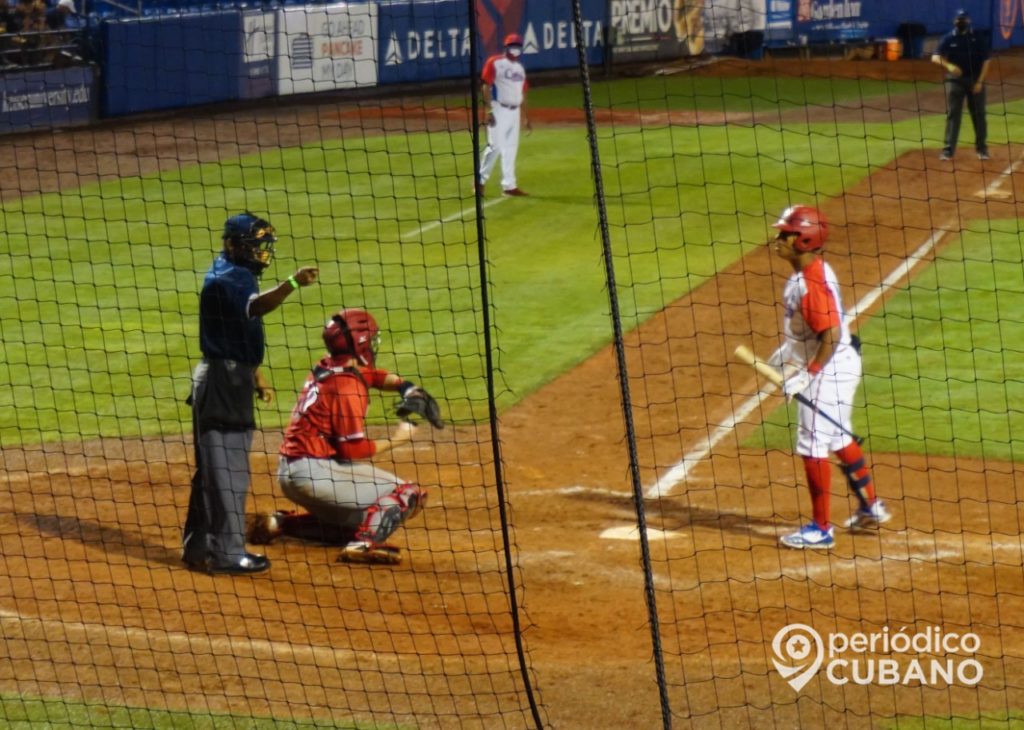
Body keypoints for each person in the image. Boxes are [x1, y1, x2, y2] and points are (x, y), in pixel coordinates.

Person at [182, 213, 319, 574]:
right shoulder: (231, 278)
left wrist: (256, 375)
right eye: (256, 246)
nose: (262, 252)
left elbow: (233, 332)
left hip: (225, 377)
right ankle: (226, 554)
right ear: (234, 245)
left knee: (213, 471)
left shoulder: (230, 272)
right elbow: (256, 307)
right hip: (224, 385)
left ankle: (198, 548)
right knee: (228, 471)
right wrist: (292, 282)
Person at [247, 308, 428, 566]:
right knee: (407, 494)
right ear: (360, 343)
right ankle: (362, 546)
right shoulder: (347, 389)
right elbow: (351, 450)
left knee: (362, 520)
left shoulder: (327, 366)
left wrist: (404, 386)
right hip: (314, 474)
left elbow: (370, 375)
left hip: (292, 471)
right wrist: (399, 437)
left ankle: (282, 524)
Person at [770, 205, 891, 549]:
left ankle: (821, 530)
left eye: (785, 234)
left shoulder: (809, 285)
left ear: (804, 239)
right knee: (837, 435)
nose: (778, 240)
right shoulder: (812, 272)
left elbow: (831, 334)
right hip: (840, 363)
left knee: (812, 443)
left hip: (829, 368)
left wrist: (806, 374)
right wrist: (788, 350)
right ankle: (871, 506)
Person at [932, 9, 991, 161]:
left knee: (979, 115)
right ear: (954, 21)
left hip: (975, 80)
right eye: (959, 20)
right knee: (953, 114)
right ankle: (948, 151)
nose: (961, 22)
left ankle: (982, 149)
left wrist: (979, 81)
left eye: (963, 19)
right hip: (955, 81)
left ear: (969, 21)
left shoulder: (977, 37)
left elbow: (986, 60)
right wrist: (949, 66)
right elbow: (935, 57)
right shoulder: (948, 38)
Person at [477, 33, 531, 197]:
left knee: (511, 149)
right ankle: (479, 180)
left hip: (514, 112)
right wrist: (489, 110)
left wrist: (526, 117)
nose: (515, 49)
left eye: (517, 46)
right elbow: (485, 86)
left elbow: (523, 93)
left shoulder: (520, 68)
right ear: (506, 47)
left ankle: (509, 185)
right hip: (499, 109)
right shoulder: (495, 62)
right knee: (495, 147)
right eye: (512, 45)